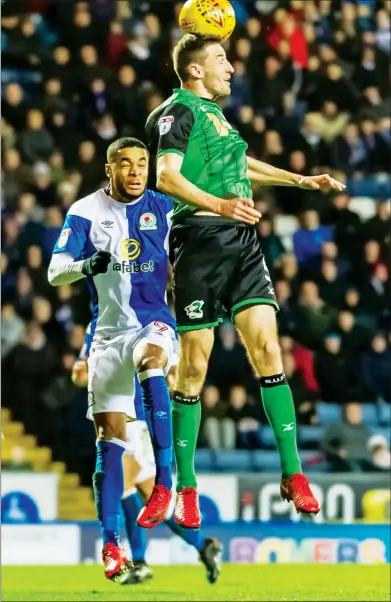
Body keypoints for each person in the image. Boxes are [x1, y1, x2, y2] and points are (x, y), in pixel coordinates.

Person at [145, 34, 346, 528]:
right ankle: (186, 485)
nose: (231, 68)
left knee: (269, 352)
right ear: (194, 71)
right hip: (198, 242)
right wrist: (219, 205)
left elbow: (243, 166)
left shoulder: (216, 116)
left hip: (242, 242)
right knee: (193, 367)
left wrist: (300, 181)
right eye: (220, 60)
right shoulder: (174, 113)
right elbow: (166, 177)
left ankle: (293, 473)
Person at [48, 138, 176, 582]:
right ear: (109, 169)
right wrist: (87, 265)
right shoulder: (85, 211)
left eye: (143, 163)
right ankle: (110, 545)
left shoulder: (164, 205)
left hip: (152, 323)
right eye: (127, 163)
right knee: (109, 444)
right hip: (106, 337)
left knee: (153, 359)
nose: (137, 171)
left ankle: (165, 481)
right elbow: (54, 270)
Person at [72, 339, 221, 585]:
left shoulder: (153, 323)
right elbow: (80, 373)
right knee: (150, 501)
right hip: (112, 416)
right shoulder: (98, 325)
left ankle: (140, 562)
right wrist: (85, 373)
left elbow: (173, 373)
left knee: (124, 486)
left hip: (137, 422)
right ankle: (202, 544)